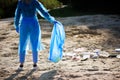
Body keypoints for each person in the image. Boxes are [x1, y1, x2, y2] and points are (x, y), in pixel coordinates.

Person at [14, 0, 57, 70]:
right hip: (33, 23)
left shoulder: (20, 2)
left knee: (22, 43)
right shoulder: (34, 2)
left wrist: (16, 25)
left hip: (24, 24)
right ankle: (35, 64)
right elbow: (43, 12)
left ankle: (21, 64)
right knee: (35, 43)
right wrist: (51, 19)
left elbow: (17, 15)